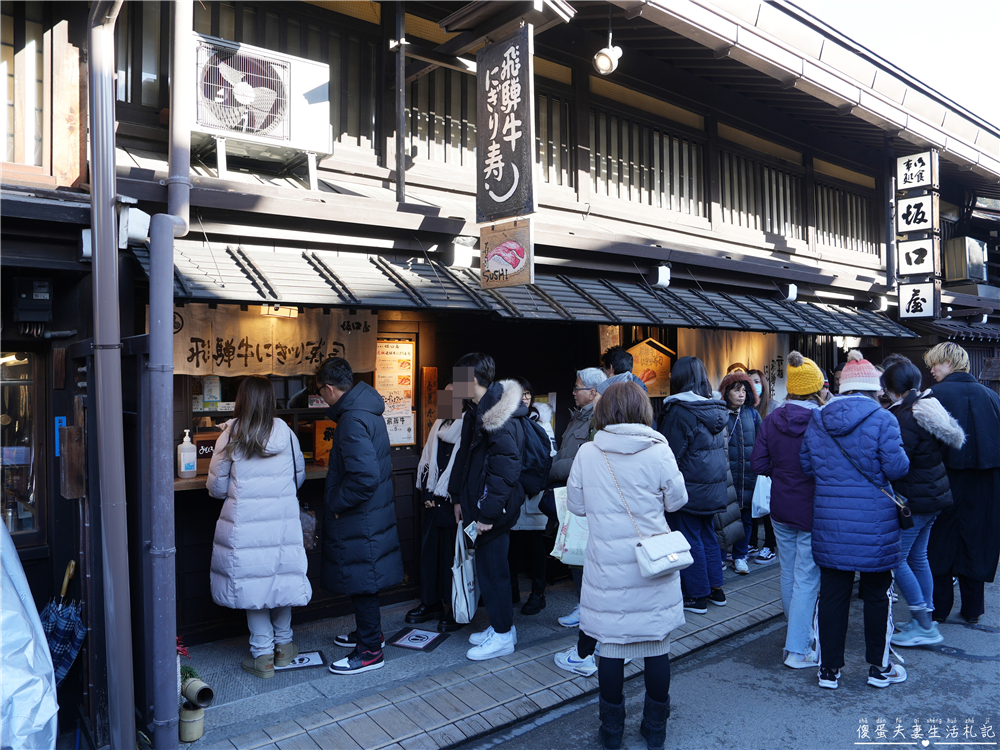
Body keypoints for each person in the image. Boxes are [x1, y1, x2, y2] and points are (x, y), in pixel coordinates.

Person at [567, 381, 688, 750]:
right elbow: (677, 502)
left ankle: (611, 731)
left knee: (612, 647)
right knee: (656, 646)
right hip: (653, 564)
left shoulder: (588, 452)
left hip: (608, 568)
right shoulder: (658, 449)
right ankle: (654, 729)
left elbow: (576, 506)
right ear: (643, 410)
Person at [800, 350, 910, 689]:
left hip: (831, 522)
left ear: (843, 386)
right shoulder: (884, 420)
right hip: (875, 525)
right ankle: (879, 668)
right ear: (872, 387)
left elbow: (807, 466)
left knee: (833, 595)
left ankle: (828, 671)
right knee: (878, 596)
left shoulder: (818, 419)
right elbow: (897, 468)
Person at [208, 376, 311, 679]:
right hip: (281, 522)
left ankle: (263, 656)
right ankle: (285, 646)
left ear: (241, 400)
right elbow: (298, 477)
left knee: (254, 585)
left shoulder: (230, 435)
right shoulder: (287, 433)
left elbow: (216, 488)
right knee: (280, 579)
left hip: (246, 526)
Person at [316, 357, 403, 675]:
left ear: (328, 388)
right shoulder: (367, 411)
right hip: (370, 513)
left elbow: (364, 477)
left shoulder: (352, 419)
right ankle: (372, 635)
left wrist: (336, 503)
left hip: (360, 515)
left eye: (320, 393)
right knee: (364, 578)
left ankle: (369, 651)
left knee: (364, 580)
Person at [448, 353, 528, 661]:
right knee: (488, 569)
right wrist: (457, 497)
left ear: (472, 380)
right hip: (479, 508)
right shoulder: (477, 410)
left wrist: (486, 515)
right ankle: (500, 626)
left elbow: (504, 469)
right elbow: (465, 460)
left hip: (492, 511)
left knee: (494, 572)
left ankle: (504, 635)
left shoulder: (497, 414)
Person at [882, 361, 964, 647]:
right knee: (918, 556)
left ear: (893, 389)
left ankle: (925, 624)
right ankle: (923, 616)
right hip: (935, 495)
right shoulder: (928, 404)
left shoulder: (907, 416)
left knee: (897, 558)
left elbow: (899, 463)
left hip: (916, 498)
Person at [750, 351, 824, 669]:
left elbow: (758, 464)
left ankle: (797, 630)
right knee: (807, 577)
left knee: (788, 571)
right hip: (812, 508)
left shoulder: (772, 419)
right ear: (816, 388)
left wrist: (781, 472)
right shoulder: (821, 421)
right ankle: (798, 648)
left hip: (780, 505)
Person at [923, 342, 1000, 625]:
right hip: (987, 481)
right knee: (978, 541)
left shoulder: (933, 396)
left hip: (943, 479)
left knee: (939, 542)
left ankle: (939, 609)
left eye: (936, 364)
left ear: (950, 363)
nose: (931, 370)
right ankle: (972, 609)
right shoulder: (991, 396)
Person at [658, 356, 729, 614]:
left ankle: (697, 595)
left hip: (689, 489)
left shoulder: (679, 411)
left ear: (678, 378)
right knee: (708, 536)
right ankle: (716, 590)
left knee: (690, 539)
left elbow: (669, 456)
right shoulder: (714, 409)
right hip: (712, 488)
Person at [549, 366, 606, 631]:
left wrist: (553, 469)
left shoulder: (599, 418)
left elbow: (586, 461)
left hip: (586, 495)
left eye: (577, 388)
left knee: (583, 553)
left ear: (593, 392)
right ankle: (584, 605)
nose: (573, 392)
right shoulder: (578, 417)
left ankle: (588, 609)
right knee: (575, 552)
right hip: (571, 494)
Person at [407, 384, 465, 633]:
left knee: (451, 558)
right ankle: (430, 603)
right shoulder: (439, 425)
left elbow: (466, 468)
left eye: (452, 395)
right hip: (434, 501)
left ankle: (454, 607)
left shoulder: (468, 426)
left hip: (455, 503)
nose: (446, 398)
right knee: (430, 556)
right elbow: (427, 461)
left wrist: (456, 497)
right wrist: (428, 493)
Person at [508, 377, 557, 616]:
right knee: (512, 546)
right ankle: (512, 591)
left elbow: (550, 456)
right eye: (520, 394)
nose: (525, 398)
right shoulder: (506, 420)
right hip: (513, 495)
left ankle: (538, 595)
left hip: (533, 495)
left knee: (536, 546)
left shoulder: (543, 421)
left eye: (528, 394)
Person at [718, 372, 763, 573]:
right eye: (737, 390)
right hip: (725, 478)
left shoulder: (752, 414)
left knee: (745, 518)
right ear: (727, 392)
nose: (741, 394)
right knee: (722, 519)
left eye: (744, 390)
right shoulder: (719, 414)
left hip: (748, 476)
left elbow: (762, 443)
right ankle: (719, 556)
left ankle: (740, 556)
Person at [747, 369, 778, 562]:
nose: (753, 385)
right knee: (751, 503)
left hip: (769, 463)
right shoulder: (746, 406)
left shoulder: (774, 407)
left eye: (757, 381)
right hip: (750, 462)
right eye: (750, 381)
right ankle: (750, 543)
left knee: (767, 505)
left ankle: (769, 545)